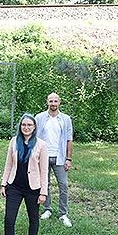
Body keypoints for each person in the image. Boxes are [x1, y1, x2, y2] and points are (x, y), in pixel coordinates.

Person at [0, 114, 49, 235]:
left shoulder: (41, 145)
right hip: (14, 186)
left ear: (34, 128)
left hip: (33, 188)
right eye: (23, 125)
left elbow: (44, 170)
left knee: (33, 218)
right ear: (20, 127)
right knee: (9, 219)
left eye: (29, 125)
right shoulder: (14, 142)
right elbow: (8, 164)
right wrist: (4, 183)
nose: (26, 128)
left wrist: (43, 192)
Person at [35, 92, 74, 227]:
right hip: (43, 157)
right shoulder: (39, 117)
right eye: (50, 101)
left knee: (63, 185)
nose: (53, 104)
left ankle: (63, 213)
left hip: (60, 157)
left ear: (59, 102)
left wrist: (68, 158)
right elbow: (34, 138)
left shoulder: (66, 119)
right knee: (44, 185)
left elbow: (69, 139)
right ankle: (47, 209)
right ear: (47, 102)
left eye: (55, 101)